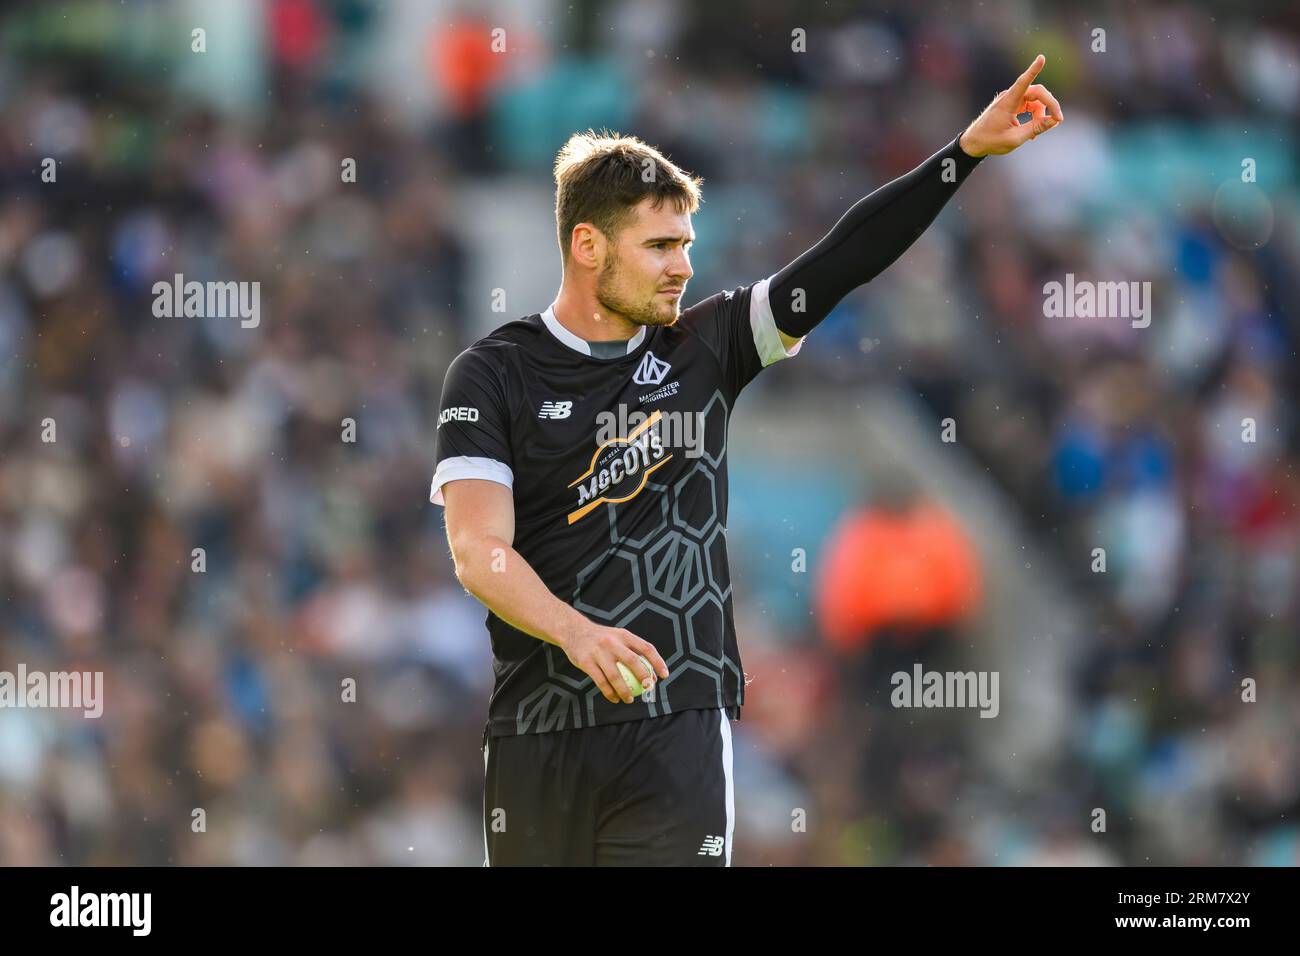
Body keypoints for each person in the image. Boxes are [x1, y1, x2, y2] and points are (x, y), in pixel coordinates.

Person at [431, 56, 1063, 865]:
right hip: (537, 731)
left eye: (686, 243)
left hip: (678, 724)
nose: (684, 266)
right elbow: (478, 551)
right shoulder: (492, 374)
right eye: (659, 246)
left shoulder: (707, 349)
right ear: (587, 246)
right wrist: (576, 633)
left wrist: (963, 154)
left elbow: (842, 260)